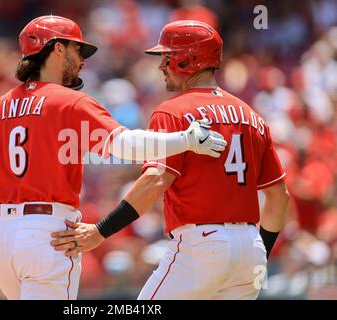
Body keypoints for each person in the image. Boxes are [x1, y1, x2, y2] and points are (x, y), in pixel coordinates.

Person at [0, 16, 227, 300]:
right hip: (49, 236)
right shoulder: (70, 101)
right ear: (57, 49)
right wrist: (186, 140)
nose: (82, 60)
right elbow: (127, 145)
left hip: (1, 237)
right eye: (77, 50)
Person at [51, 20, 290, 300]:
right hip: (250, 248)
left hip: (202, 246)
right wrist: (258, 250)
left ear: (189, 59)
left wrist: (100, 231)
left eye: (167, 57)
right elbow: (279, 197)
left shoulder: (173, 111)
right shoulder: (252, 116)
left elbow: (156, 179)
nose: (161, 66)